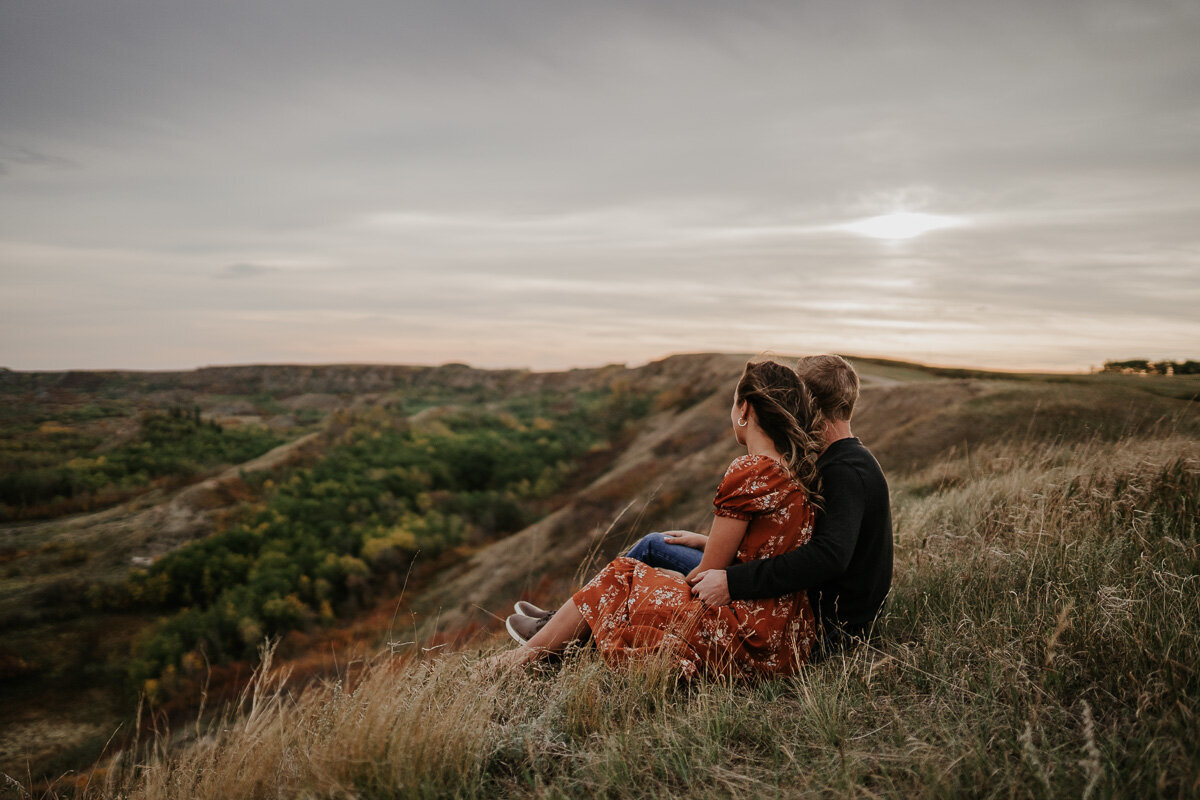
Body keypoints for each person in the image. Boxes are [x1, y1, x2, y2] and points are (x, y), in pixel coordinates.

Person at [485, 359, 825, 679]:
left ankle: (519, 660)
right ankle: (560, 635)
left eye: (734, 402)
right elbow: (763, 552)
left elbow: (706, 576)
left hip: (746, 638)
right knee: (643, 574)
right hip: (784, 641)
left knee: (623, 574)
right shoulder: (793, 471)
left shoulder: (750, 469)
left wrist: (652, 585)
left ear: (745, 410)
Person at [690, 355, 893, 658]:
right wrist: (712, 543)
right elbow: (802, 543)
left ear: (808, 403)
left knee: (653, 548)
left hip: (831, 631)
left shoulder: (845, 471)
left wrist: (732, 581)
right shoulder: (843, 461)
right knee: (667, 548)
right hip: (813, 617)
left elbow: (828, 557)